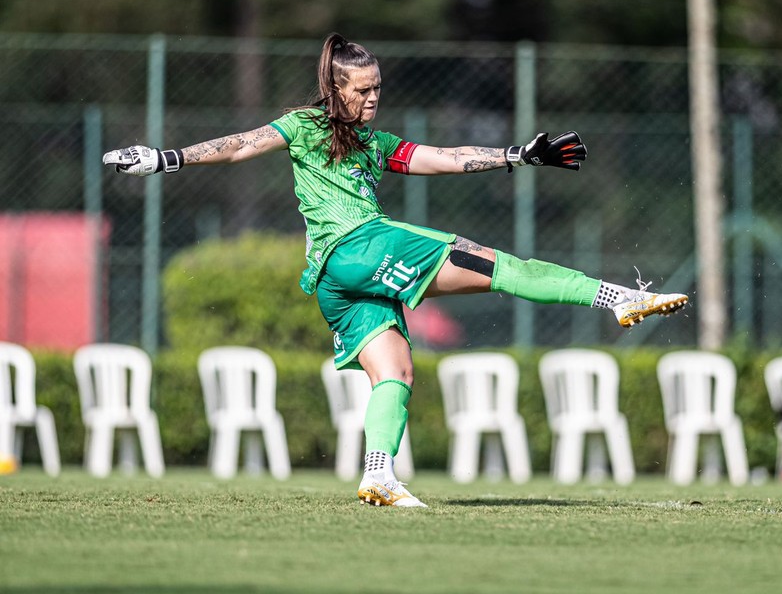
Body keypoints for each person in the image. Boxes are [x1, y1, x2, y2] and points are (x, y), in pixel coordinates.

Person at [102, 33, 689, 508]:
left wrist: (515, 155)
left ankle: (378, 475)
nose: (372, 98)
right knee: (502, 265)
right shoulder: (302, 126)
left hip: (335, 281)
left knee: (395, 372)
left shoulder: (373, 141)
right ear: (335, 89)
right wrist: (163, 158)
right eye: (362, 89)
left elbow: (441, 158)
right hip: (360, 245)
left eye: (378, 87)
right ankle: (614, 297)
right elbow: (240, 144)